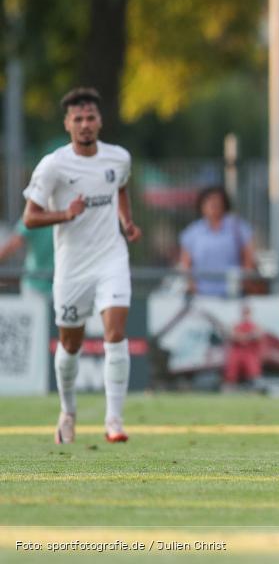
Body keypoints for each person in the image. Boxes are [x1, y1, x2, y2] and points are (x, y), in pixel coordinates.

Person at [22, 87, 141, 444]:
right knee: (70, 345)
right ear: (68, 124)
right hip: (72, 267)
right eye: (78, 119)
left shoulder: (118, 158)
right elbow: (29, 218)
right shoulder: (54, 165)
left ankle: (114, 421)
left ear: (100, 121)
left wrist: (127, 222)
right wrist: (65, 214)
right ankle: (68, 412)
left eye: (90, 118)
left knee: (115, 334)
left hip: (111, 258)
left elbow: (120, 188)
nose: (85, 125)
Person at [179, 186, 255, 297]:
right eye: (208, 201)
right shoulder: (193, 232)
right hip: (202, 294)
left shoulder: (237, 227)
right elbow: (186, 264)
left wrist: (244, 283)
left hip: (233, 293)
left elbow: (248, 259)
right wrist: (192, 286)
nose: (213, 205)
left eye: (217, 202)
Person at [0, 217, 54, 299]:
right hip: (37, 285)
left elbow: (12, 246)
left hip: (36, 284)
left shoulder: (32, 215)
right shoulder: (66, 213)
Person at [222, 303, 264, 390]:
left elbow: (258, 335)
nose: (245, 314)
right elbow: (232, 335)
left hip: (249, 352)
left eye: (247, 312)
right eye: (244, 312)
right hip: (237, 351)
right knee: (232, 366)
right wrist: (247, 336)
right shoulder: (236, 324)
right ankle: (230, 385)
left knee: (252, 367)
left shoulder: (255, 325)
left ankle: (254, 385)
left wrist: (243, 337)